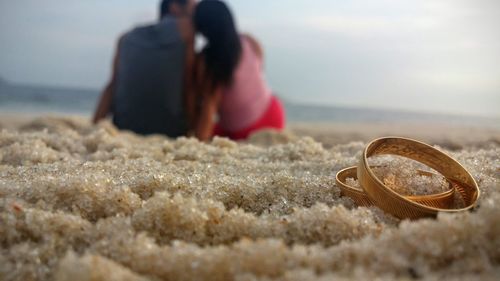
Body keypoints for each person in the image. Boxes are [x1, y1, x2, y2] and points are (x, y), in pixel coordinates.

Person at [93, 0, 196, 137]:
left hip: (123, 127)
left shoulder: (125, 37)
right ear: (175, 7)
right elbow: (188, 83)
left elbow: (113, 85)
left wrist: (94, 126)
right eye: (193, 6)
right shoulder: (187, 27)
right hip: (169, 130)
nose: (197, 11)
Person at [188, 0, 285, 141]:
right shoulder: (250, 41)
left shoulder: (207, 60)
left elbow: (209, 107)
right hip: (274, 114)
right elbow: (259, 74)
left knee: (209, 129)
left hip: (244, 130)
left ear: (201, 27)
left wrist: (198, 140)